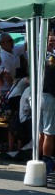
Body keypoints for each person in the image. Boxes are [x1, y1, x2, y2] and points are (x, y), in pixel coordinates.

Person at [40, 34, 55, 174]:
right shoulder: (48, 57)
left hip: (38, 95)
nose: (52, 43)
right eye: (50, 40)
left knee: (41, 132)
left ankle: (39, 160)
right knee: (49, 132)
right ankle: (46, 161)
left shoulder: (38, 56)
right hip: (48, 96)